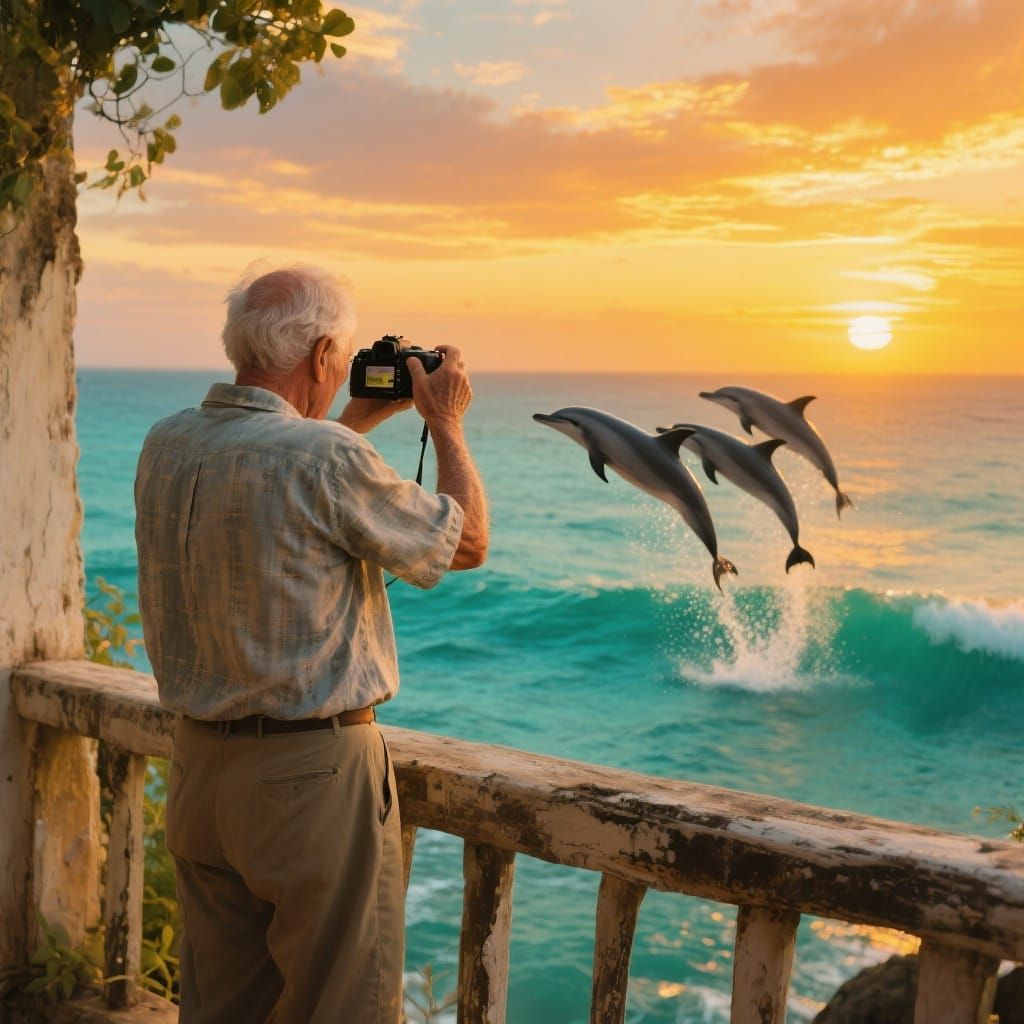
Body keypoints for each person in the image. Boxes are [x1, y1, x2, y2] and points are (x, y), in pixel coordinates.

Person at [134, 264, 488, 1024]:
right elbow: (465, 543)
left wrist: (353, 418)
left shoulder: (166, 443)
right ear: (326, 352)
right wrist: (447, 422)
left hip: (201, 773)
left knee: (223, 1007)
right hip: (308, 778)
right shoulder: (324, 459)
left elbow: (280, 479)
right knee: (342, 1007)